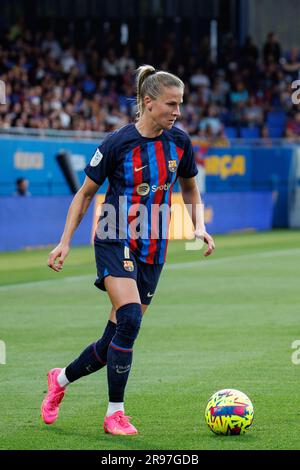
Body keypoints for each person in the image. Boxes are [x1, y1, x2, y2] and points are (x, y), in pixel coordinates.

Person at [41, 65, 215, 435]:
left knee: (115, 338)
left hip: (154, 244)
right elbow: (85, 194)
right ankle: (114, 414)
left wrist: (198, 225)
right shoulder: (117, 143)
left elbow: (189, 188)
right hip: (114, 234)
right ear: (149, 103)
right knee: (132, 317)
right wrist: (65, 240)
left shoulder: (180, 142)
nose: (178, 111)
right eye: (171, 104)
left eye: (180, 104)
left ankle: (60, 379)